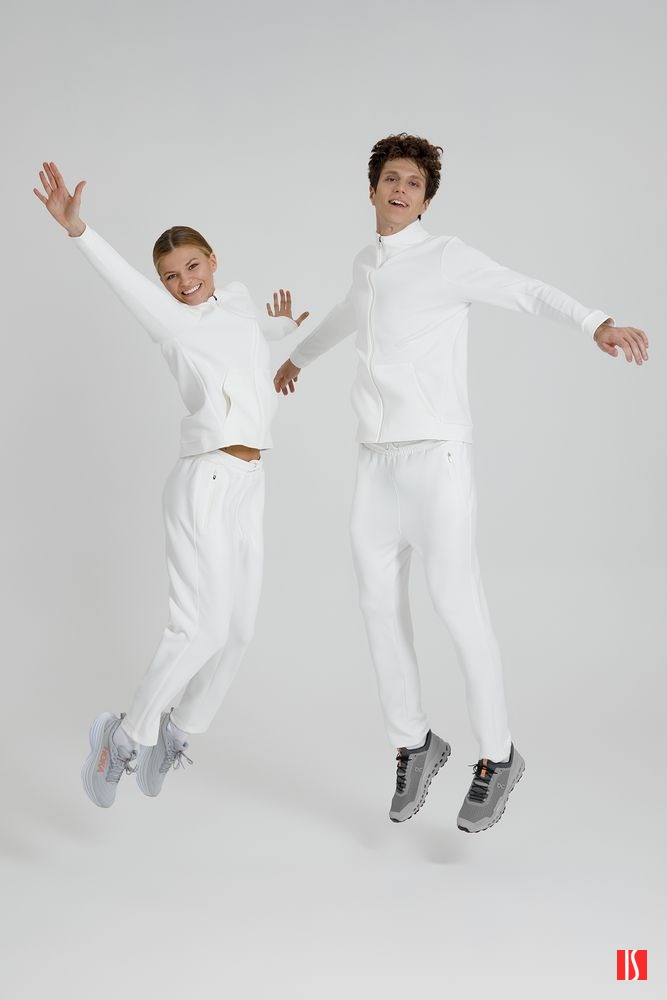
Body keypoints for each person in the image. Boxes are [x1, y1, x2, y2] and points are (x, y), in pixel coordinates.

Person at [274, 133, 648, 834]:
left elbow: (525, 289)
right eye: (391, 178)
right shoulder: (365, 264)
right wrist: (297, 357)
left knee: (455, 603)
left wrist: (594, 322)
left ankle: (498, 755)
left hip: (436, 457)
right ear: (371, 189)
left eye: (413, 183)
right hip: (374, 463)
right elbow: (348, 313)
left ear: (425, 200)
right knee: (377, 606)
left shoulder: (446, 258)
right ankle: (413, 741)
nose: (400, 190)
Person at [34, 161, 309, 808]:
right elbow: (123, 283)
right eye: (170, 277)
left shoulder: (234, 299)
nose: (184, 282)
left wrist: (284, 328)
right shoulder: (171, 321)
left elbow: (249, 328)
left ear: (212, 261)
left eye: (191, 267)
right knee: (199, 630)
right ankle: (123, 736)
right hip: (205, 481)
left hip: (250, 482)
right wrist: (79, 231)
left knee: (237, 630)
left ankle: (176, 732)